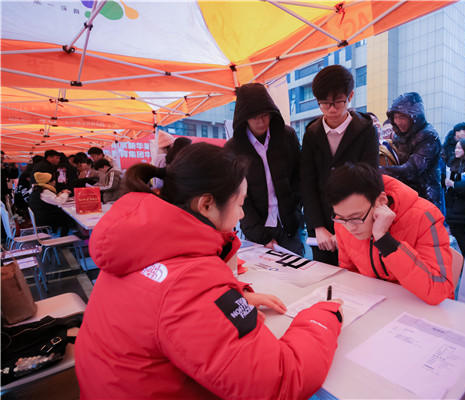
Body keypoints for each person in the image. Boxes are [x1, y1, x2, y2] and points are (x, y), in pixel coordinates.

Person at [75, 143, 343, 399]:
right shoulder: (190, 281)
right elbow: (279, 382)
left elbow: (161, 306)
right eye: (240, 204)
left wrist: (234, 295)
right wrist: (322, 318)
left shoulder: (139, 246)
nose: (241, 215)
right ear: (206, 205)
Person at [326, 162, 454, 305]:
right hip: (377, 308)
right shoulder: (343, 220)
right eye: (341, 218)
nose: (349, 227)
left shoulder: (425, 217)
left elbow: (439, 290)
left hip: (420, 309)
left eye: (356, 218)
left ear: (381, 200)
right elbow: (349, 274)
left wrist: (385, 240)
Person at [301, 64, 379, 265]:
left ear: (350, 96)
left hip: (356, 223)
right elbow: (307, 183)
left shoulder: (366, 131)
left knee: (357, 281)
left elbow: (371, 181)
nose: (332, 109)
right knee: (324, 278)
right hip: (322, 228)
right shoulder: (312, 133)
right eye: (324, 104)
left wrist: (349, 227)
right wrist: (317, 227)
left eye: (338, 102)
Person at [224, 83, 304, 255]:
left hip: (289, 225)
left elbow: (299, 176)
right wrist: (261, 236)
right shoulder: (233, 148)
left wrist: (295, 208)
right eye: (254, 117)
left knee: (299, 277)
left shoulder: (287, 136)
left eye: (264, 115)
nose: (261, 122)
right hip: (256, 231)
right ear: (244, 118)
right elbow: (238, 197)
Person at [380, 92, 444, 211]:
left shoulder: (428, 135)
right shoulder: (401, 136)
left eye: (402, 117)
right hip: (406, 195)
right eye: (396, 117)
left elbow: (411, 170)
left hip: (426, 198)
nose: (398, 122)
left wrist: (375, 171)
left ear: (414, 116)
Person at [444, 138, 465, 256]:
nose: (456, 150)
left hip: (464, 211)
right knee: (459, 239)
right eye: (456, 147)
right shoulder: (455, 162)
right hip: (453, 209)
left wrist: (454, 184)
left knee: (464, 241)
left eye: (459, 148)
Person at [28, 172, 72, 236]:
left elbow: (51, 199)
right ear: (49, 182)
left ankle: (59, 237)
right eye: (53, 180)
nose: (55, 182)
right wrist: (66, 193)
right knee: (68, 220)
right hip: (44, 219)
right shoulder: (44, 191)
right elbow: (59, 201)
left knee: (64, 217)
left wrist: (59, 194)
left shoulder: (35, 189)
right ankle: (62, 241)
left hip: (38, 218)